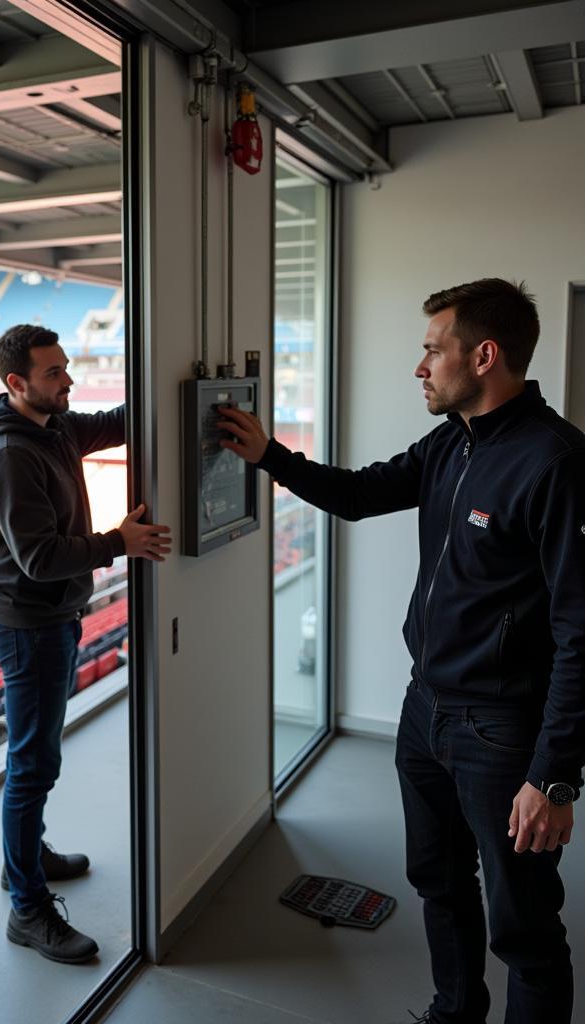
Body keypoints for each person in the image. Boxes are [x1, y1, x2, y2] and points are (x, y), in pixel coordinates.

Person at [219, 279, 583, 1024]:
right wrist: (269, 456)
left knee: (525, 927)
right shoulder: (453, 441)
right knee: (440, 884)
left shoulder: (556, 462)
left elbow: (584, 630)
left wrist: (553, 776)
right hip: (426, 713)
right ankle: (455, 1012)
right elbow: (358, 494)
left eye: (432, 350)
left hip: (502, 732)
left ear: (483, 356)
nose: (421, 367)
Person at [0, 324, 171, 964]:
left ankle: (24, 860)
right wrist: (119, 541)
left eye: (66, 368)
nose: (68, 381)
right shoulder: (9, 455)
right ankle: (26, 910)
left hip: (50, 617)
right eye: (54, 373)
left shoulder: (53, 427)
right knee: (32, 765)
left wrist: (168, 379)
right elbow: (38, 558)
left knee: (37, 761)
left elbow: (114, 421)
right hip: (28, 625)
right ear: (16, 383)